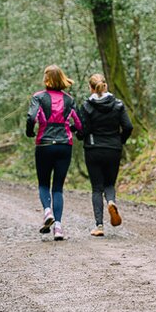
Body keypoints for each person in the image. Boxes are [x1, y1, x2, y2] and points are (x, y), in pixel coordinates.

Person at [25, 64, 82, 241]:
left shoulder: (38, 97)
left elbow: (31, 117)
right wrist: (72, 129)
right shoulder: (69, 100)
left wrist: (30, 131)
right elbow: (80, 124)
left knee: (43, 184)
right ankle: (58, 228)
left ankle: (47, 211)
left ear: (46, 78)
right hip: (65, 145)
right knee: (57, 188)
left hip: (44, 144)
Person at [79, 73, 133, 237]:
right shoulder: (118, 105)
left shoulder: (87, 107)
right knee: (109, 184)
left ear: (91, 88)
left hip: (93, 149)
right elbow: (128, 126)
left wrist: (79, 134)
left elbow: (84, 131)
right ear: (105, 86)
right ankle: (111, 202)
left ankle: (99, 225)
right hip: (113, 149)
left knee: (97, 188)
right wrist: (119, 141)